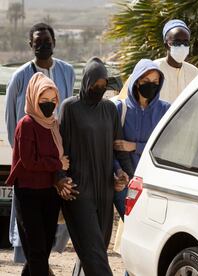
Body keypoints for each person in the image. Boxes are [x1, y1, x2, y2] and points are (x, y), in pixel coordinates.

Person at [4, 22, 75, 268]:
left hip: (53, 173)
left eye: (47, 41)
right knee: (34, 242)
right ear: (31, 45)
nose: (43, 45)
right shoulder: (20, 78)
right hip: (31, 176)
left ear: (54, 43)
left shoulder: (66, 71)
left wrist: (57, 166)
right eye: (38, 42)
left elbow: (63, 118)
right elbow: (12, 121)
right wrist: (30, 153)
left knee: (44, 245)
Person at [57, 57, 132, 276]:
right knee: (94, 253)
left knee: (97, 249)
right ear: (86, 82)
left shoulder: (109, 109)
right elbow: (60, 149)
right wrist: (60, 176)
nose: (99, 90)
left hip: (105, 191)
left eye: (103, 85)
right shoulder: (70, 107)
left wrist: (124, 173)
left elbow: (118, 147)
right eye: (94, 85)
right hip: (79, 190)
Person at [5, 72, 69, 276]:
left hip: (50, 193)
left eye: (53, 100)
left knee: (42, 250)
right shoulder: (26, 124)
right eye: (44, 100)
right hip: (28, 193)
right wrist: (57, 163)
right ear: (33, 97)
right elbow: (28, 161)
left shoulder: (54, 125)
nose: (49, 104)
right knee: (37, 250)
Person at [113, 59, 170, 220]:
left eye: (155, 82)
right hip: (125, 183)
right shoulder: (120, 109)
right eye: (146, 81)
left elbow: (166, 148)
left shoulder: (166, 110)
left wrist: (134, 146)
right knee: (131, 224)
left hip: (153, 183)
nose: (151, 85)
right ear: (137, 81)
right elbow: (110, 148)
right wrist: (117, 171)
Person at [116, 19, 198, 104]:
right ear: (166, 45)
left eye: (186, 43)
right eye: (176, 43)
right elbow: (125, 101)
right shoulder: (150, 70)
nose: (182, 46)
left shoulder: (195, 73)